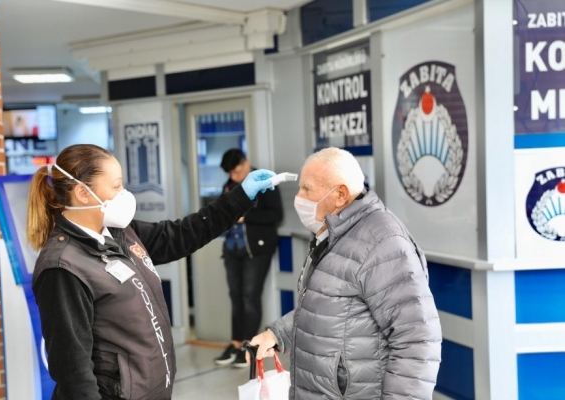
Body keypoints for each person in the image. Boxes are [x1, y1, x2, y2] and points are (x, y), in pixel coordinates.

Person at [26, 144, 275, 400]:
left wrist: (240, 197)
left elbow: (182, 234)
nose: (124, 194)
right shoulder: (63, 267)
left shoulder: (120, 233)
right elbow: (74, 373)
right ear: (83, 193)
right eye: (116, 186)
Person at [249, 147, 442, 399]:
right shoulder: (335, 232)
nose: (299, 196)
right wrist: (278, 333)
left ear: (340, 194)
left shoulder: (383, 243)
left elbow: (417, 339)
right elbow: (332, 304)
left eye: (307, 189)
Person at [214, 149, 283, 368]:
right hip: (233, 249)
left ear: (246, 162)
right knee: (236, 296)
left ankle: (248, 346)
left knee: (250, 297)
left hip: (257, 249)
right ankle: (235, 344)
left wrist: (247, 217)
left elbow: (276, 215)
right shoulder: (229, 186)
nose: (234, 176)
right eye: (231, 173)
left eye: (237, 171)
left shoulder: (264, 182)